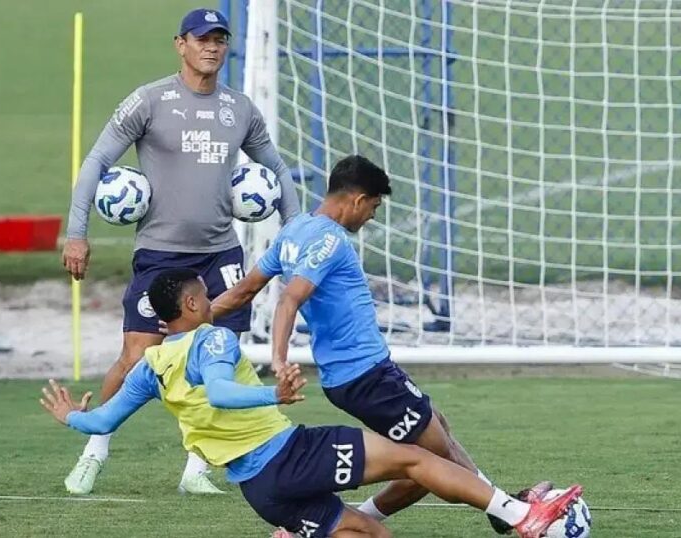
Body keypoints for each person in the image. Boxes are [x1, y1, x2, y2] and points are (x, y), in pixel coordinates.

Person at [39, 268, 583, 538]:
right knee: (418, 456)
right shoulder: (215, 339)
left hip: (262, 493)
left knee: (369, 532)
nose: (212, 297)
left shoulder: (150, 366)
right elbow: (219, 391)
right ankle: (522, 517)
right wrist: (269, 392)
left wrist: (72, 417)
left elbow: (103, 419)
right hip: (291, 455)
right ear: (189, 303)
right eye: (204, 293)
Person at [211, 155, 539, 534]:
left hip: (359, 373)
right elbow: (288, 300)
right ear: (357, 200)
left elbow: (243, 292)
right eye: (374, 206)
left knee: (438, 430)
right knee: (434, 458)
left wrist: (191, 322)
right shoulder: (330, 239)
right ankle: (516, 514)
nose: (372, 217)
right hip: (366, 375)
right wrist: (279, 360)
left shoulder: (293, 230)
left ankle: (500, 508)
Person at [60, 7, 301, 495]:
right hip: (160, 256)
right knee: (135, 358)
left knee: (222, 360)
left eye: (219, 39)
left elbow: (276, 169)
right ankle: (94, 451)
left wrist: (297, 232)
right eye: (202, 38)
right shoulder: (149, 101)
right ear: (180, 44)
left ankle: (197, 469)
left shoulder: (241, 109)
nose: (212, 46)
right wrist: (76, 232)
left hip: (220, 256)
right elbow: (96, 163)